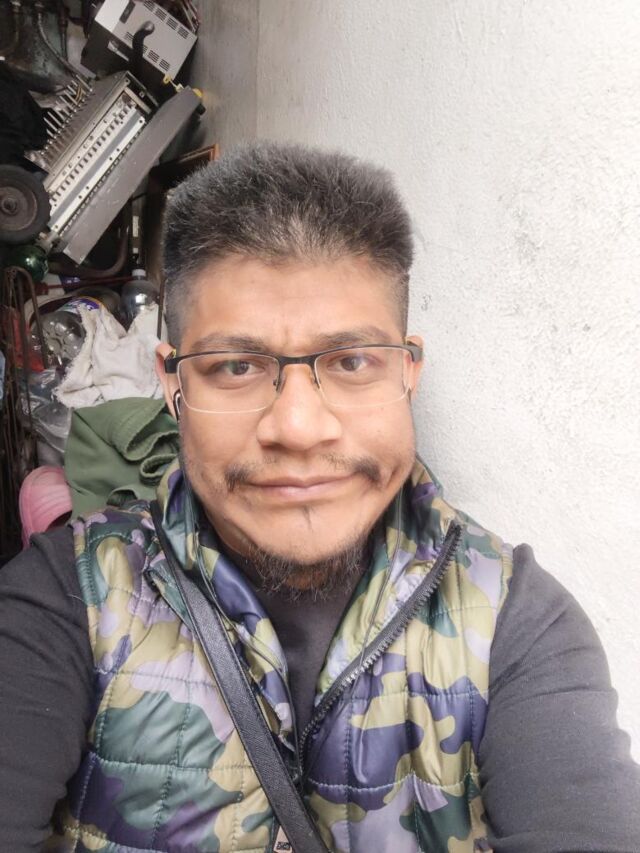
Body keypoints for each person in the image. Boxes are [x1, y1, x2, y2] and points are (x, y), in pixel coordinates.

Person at [0, 143, 638, 853]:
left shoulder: (516, 621)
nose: (299, 428)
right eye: (235, 366)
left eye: (352, 361)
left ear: (408, 373)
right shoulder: (68, 599)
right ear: (173, 384)